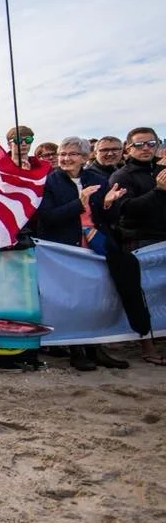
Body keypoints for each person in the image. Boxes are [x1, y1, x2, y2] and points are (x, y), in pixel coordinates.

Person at [36, 136, 128, 371]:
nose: (65, 158)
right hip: (65, 250)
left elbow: (110, 220)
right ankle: (76, 350)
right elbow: (47, 217)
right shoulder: (48, 182)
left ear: (85, 158)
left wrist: (108, 204)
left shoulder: (98, 180)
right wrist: (79, 203)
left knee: (96, 300)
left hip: (95, 247)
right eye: (63, 154)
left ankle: (96, 348)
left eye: (72, 154)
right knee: (71, 302)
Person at [106, 127, 166, 366]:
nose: (146, 149)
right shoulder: (122, 176)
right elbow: (127, 209)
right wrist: (158, 192)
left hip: (163, 238)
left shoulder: (162, 171)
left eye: (151, 143)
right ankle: (147, 347)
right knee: (145, 296)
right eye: (140, 145)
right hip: (141, 242)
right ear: (128, 148)